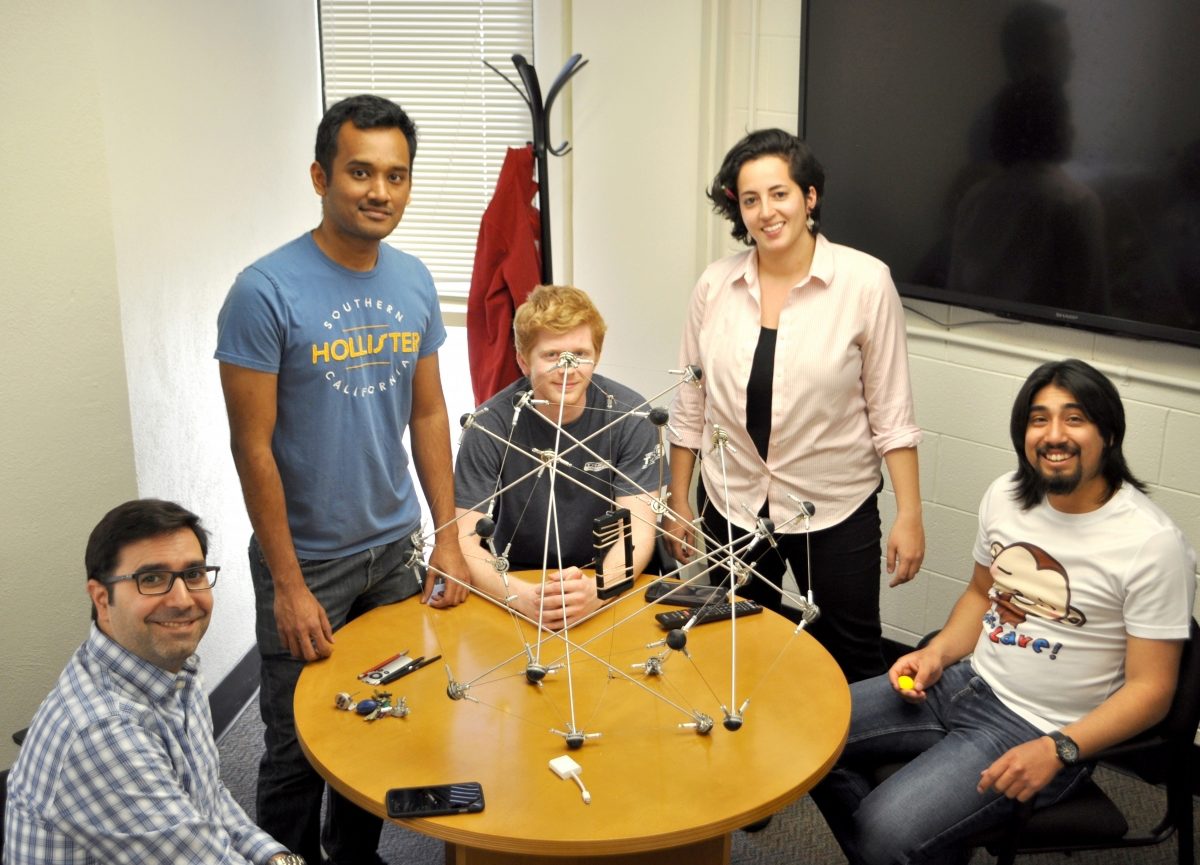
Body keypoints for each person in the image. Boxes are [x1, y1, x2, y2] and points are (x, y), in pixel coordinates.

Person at [215, 94, 469, 865]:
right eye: (361, 171)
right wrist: (288, 584)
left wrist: (449, 538)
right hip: (310, 561)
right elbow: (250, 446)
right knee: (295, 745)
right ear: (322, 175)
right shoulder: (264, 291)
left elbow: (428, 415)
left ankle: (354, 856)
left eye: (396, 175)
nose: (379, 191)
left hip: (393, 550)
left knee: (379, 719)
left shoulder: (416, 279)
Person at [811, 359, 1196, 865]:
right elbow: (979, 594)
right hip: (960, 681)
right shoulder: (1007, 497)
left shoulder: (1152, 543)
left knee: (883, 833)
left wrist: (1059, 749)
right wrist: (938, 653)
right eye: (1039, 419)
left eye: (1074, 418)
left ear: (1108, 433)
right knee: (806, 741)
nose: (1054, 434)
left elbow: (1152, 691)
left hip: (1038, 729)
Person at [664, 128, 924, 683]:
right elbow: (691, 403)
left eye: (779, 193)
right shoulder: (715, 285)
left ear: (810, 197)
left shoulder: (865, 282)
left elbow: (891, 411)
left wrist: (910, 512)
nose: (766, 211)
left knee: (850, 655)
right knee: (739, 644)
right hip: (732, 501)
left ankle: (850, 766)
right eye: (750, 199)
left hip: (833, 505)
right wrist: (678, 499)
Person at [3, 499, 303, 865]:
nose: (181, 600)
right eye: (151, 579)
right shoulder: (104, 734)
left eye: (193, 574)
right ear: (102, 599)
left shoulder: (172, 668)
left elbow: (207, 797)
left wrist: (276, 857)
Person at [454, 284, 666, 630]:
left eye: (580, 354)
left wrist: (598, 591)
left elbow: (639, 528)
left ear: (596, 355)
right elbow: (464, 539)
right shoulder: (488, 425)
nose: (567, 369)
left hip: (608, 579)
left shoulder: (633, 417)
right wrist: (521, 597)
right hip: (521, 579)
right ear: (523, 361)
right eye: (552, 356)